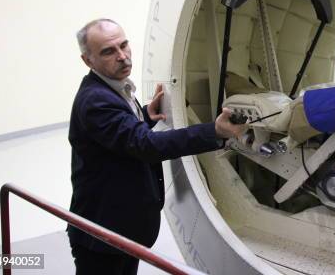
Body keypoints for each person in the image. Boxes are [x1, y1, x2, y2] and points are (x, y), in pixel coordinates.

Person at [68, 18, 246, 275]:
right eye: (108, 51)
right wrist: (213, 131)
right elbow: (146, 145)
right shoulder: (95, 101)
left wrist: (144, 115)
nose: (122, 56)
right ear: (88, 60)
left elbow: (121, 132)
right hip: (103, 234)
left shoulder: (113, 87)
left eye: (124, 45)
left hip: (119, 225)